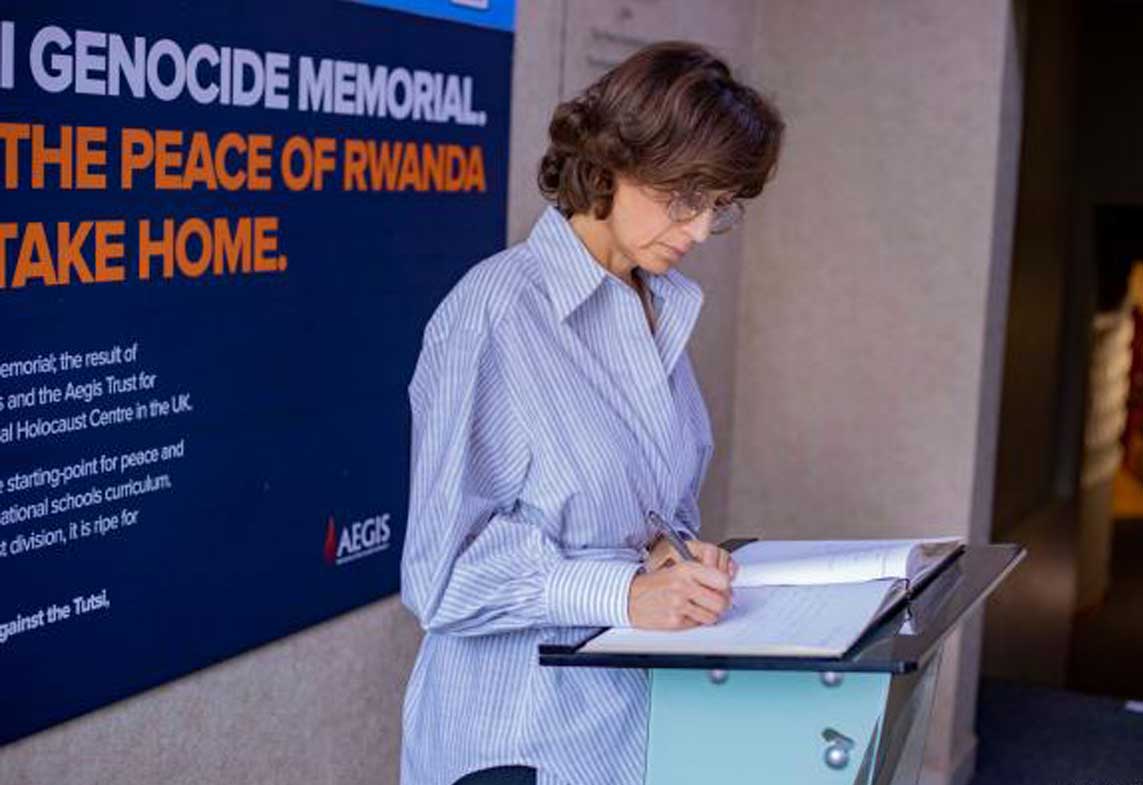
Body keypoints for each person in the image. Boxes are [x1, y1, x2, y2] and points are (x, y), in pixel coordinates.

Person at [400, 40, 784, 785]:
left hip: (622, 727)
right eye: (685, 197)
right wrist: (625, 592)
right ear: (609, 161)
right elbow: (439, 579)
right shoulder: (497, 314)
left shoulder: (658, 303)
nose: (701, 230)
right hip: (517, 741)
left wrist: (672, 554)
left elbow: (629, 510)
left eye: (719, 206)